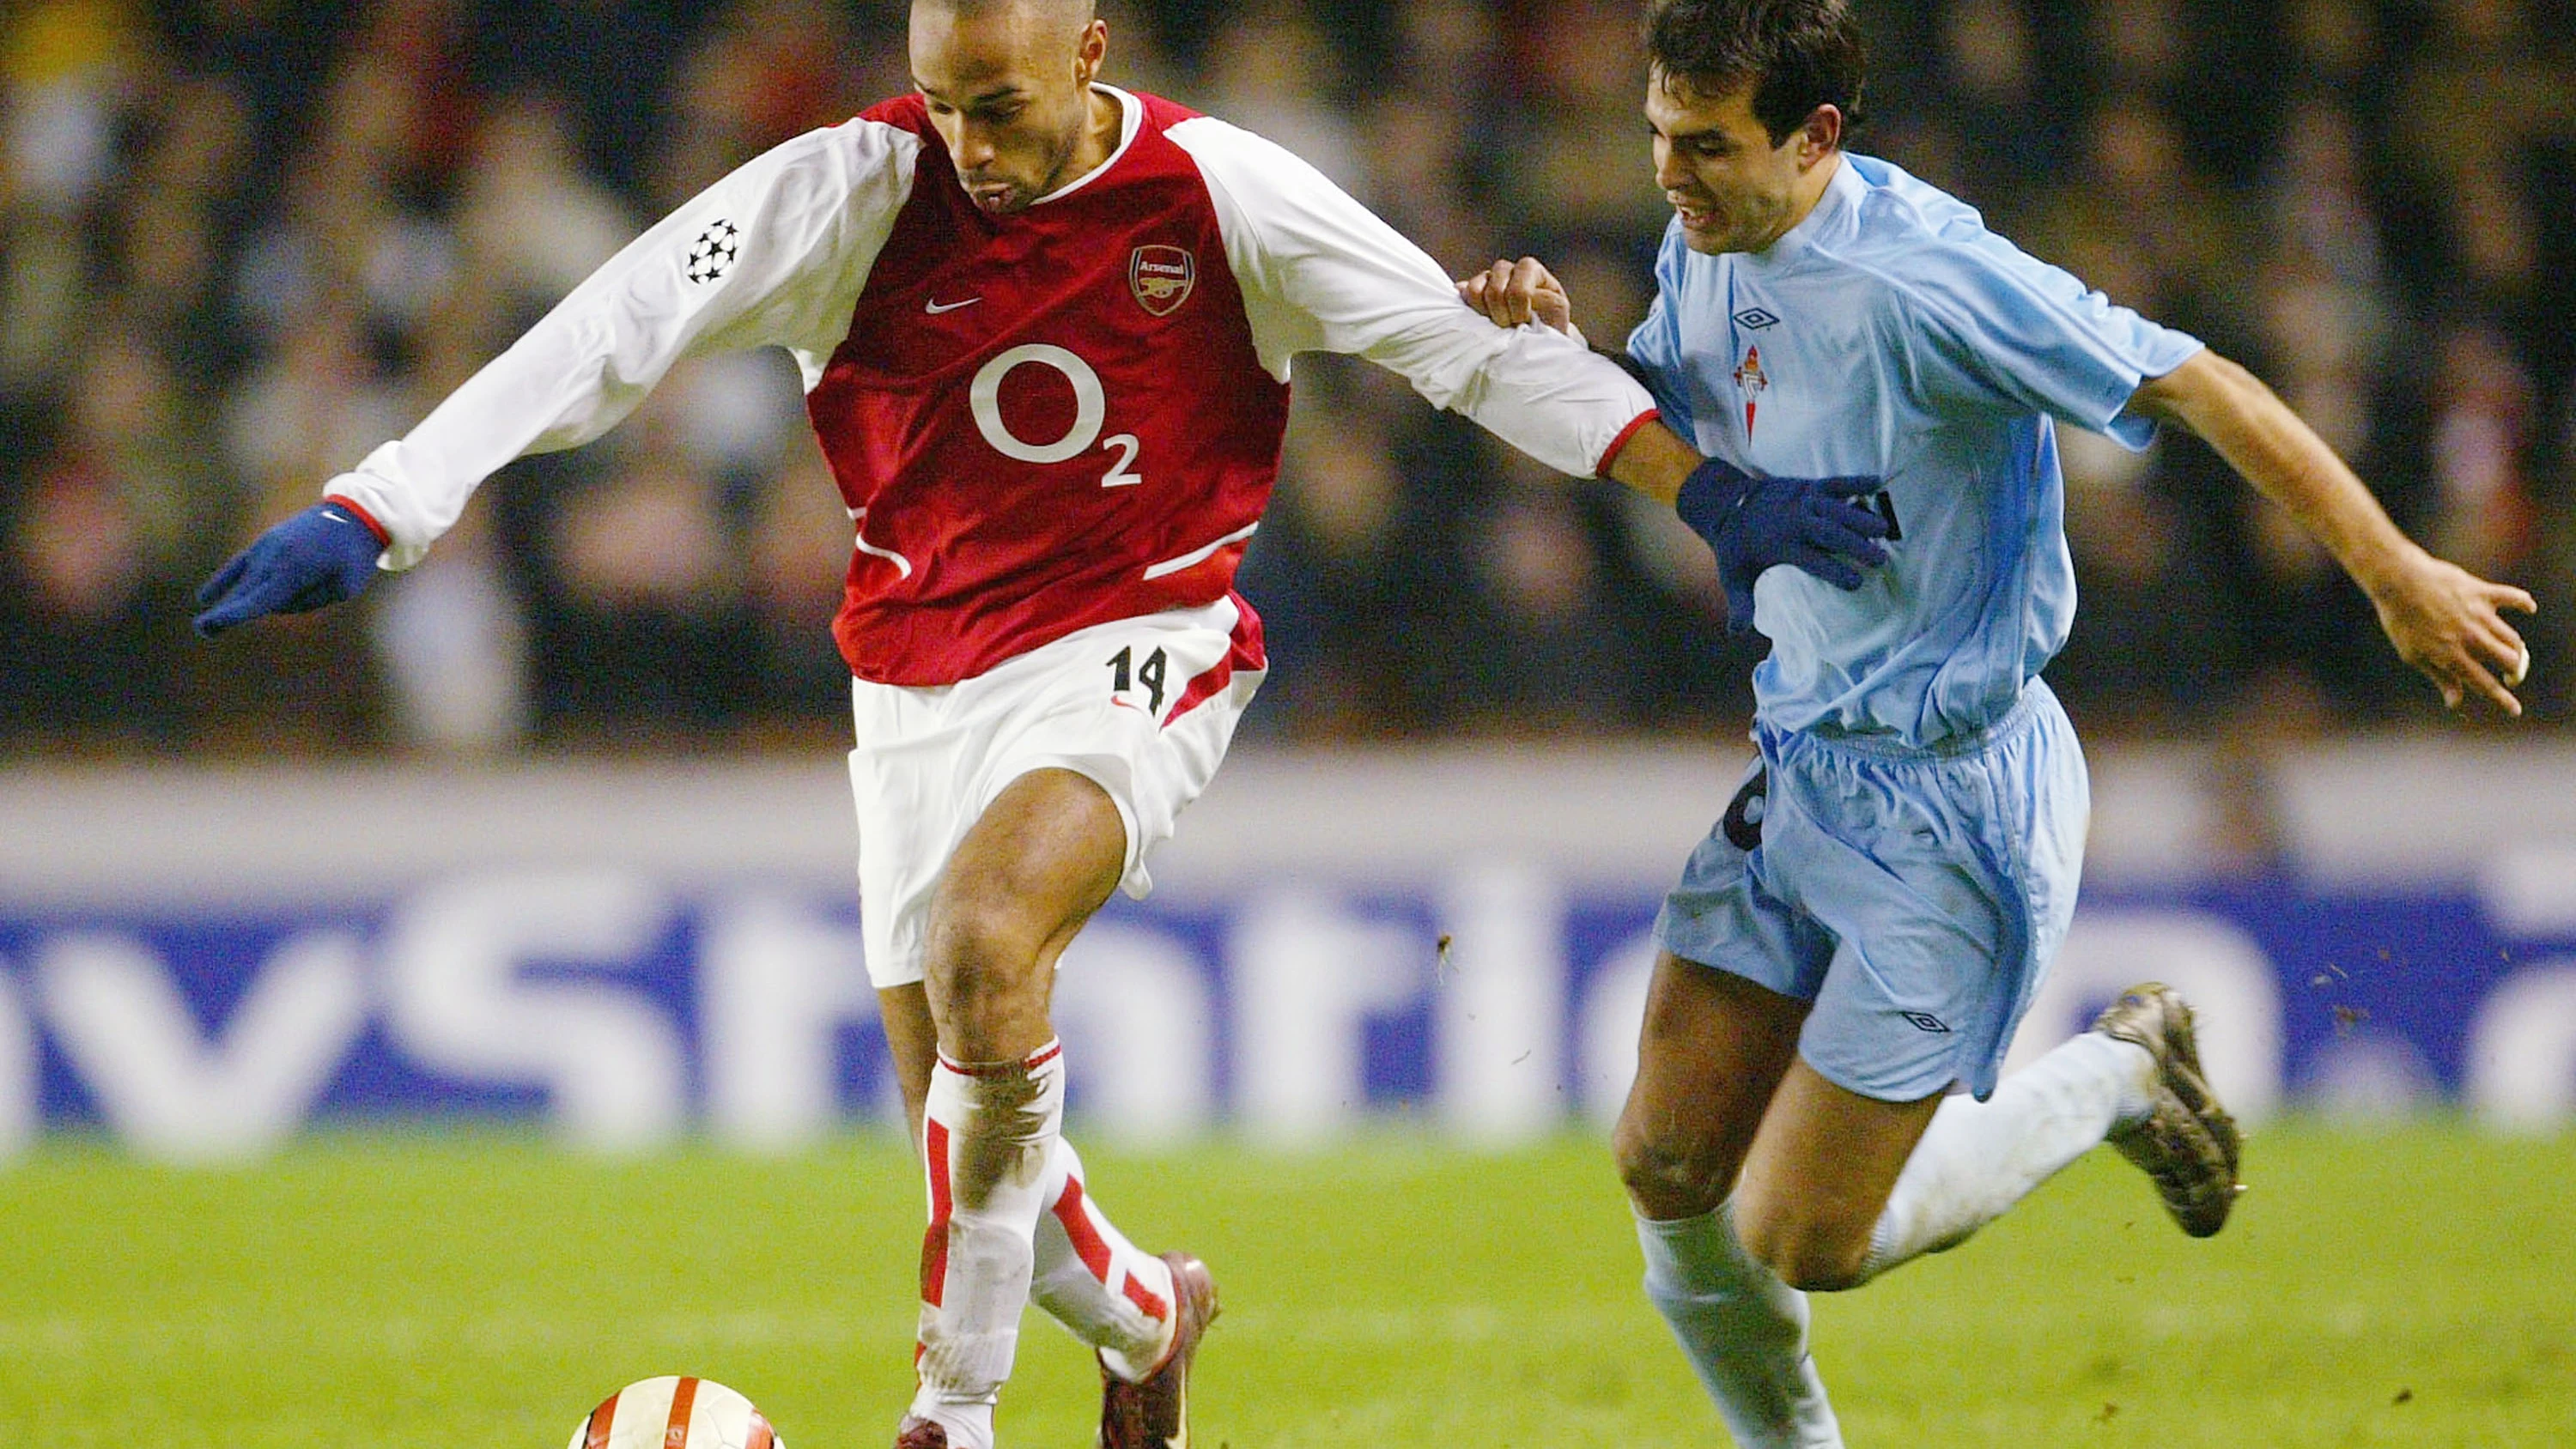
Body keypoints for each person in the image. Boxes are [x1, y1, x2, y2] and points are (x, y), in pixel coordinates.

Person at [190, 3, 1897, 1446]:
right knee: (974, 1127)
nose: (968, 143)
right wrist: (380, 504)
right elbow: (617, 324)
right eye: (939, 101)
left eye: (997, 105)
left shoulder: (1218, 192)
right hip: (916, 684)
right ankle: (1152, 1313)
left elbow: (1467, 352)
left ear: (1088, 53)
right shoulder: (853, 190)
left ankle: (954, 1410)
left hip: (1144, 633)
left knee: (993, 940)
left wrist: (1710, 493)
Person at [1459, 1, 2538, 1444]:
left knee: (1805, 1238)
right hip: (1803, 765)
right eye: (1660, 134)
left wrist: (2396, 573)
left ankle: (2119, 1074)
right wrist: (1573, 346)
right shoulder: (1708, 235)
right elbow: (1710, 402)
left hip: (1954, 795)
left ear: (1818, 136)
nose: (1669, 171)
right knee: (1663, 1162)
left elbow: (2194, 379)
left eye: (1706, 145)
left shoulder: (1931, 278)